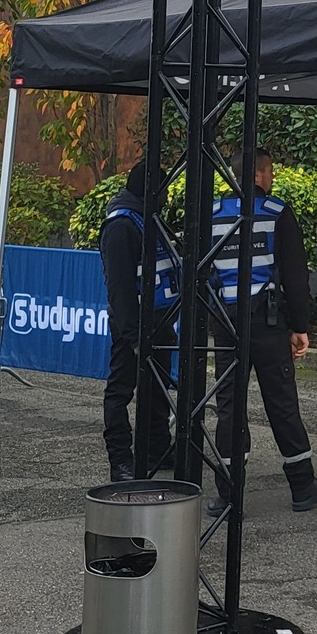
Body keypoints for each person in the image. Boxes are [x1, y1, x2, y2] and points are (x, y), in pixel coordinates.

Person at [209, 149, 317, 515]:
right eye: (270, 171)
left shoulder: (212, 216)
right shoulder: (278, 214)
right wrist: (300, 327)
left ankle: (227, 496)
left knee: (229, 408)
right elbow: (296, 278)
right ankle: (302, 485)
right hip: (266, 323)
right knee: (281, 403)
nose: (272, 177)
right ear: (261, 174)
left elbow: (202, 274)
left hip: (225, 321)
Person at [99, 158, 178, 482]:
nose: (168, 197)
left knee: (157, 389)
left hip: (159, 321)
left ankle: (158, 447)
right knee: (121, 392)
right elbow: (119, 287)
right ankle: (121, 460)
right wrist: (132, 337)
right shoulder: (122, 225)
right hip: (133, 326)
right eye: (164, 191)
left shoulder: (148, 219)